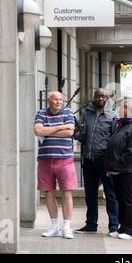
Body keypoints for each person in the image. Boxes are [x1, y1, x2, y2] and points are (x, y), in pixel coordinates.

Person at [74, 88, 119, 237]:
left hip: (105, 160)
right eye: (99, 96)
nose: (101, 99)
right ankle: (91, 224)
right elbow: (81, 136)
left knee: (110, 193)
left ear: (107, 99)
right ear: (94, 97)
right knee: (90, 194)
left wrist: (113, 160)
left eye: (104, 96)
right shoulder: (86, 113)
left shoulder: (113, 115)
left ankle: (114, 225)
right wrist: (75, 131)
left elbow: (116, 139)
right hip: (88, 159)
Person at [34, 91, 77, 239]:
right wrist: (60, 127)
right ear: (49, 101)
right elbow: (38, 130)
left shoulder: (68, 112)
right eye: (55, 99)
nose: (59, 102)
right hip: (45, 160)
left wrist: (48, 131)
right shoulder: (40, 113)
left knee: (67, 192)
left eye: (60, 99)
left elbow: (69, 132)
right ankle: (54, 227)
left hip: (65, 159)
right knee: (49, 193)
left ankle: (66, 227)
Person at [105, 97, 132, 240]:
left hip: (127, 169)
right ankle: (123, 227)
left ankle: (131, 230)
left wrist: (117, 161)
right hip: (117, 169)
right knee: (121, 199)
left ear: (127, 110)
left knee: (128, 200)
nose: (118, 110)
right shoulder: (122, 125)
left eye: (121, 107)